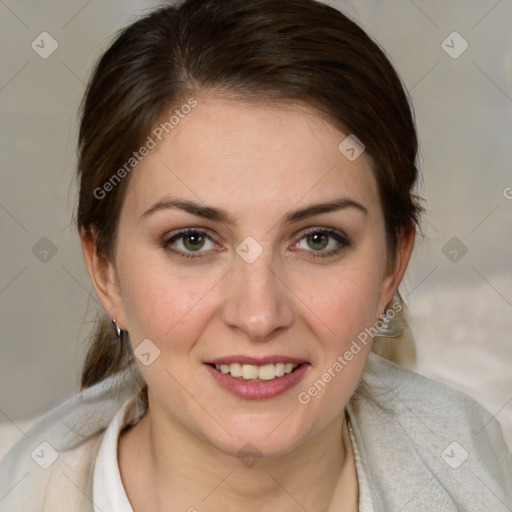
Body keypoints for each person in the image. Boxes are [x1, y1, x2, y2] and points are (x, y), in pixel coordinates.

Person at [1, 0, 511, 510]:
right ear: (105, 270)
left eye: (318, 240)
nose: (259, 315)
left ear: (392, 266)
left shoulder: (479, 472)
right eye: (193, 240)